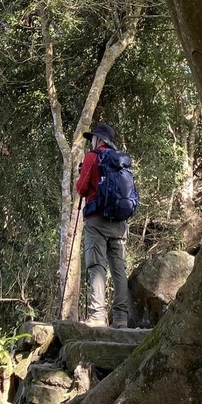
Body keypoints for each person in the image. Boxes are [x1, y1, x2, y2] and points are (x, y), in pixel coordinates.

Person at [76, 122, 130, 328]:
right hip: (118, 221)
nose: (92, 142)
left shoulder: (93, 157)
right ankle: (120, 318)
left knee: (97, 265)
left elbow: (81, 188)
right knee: (119, 269)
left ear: (99, 140)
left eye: (93, 139)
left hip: (96, 219)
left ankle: (97, 316)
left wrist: (81, 174)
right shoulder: (121, 160)